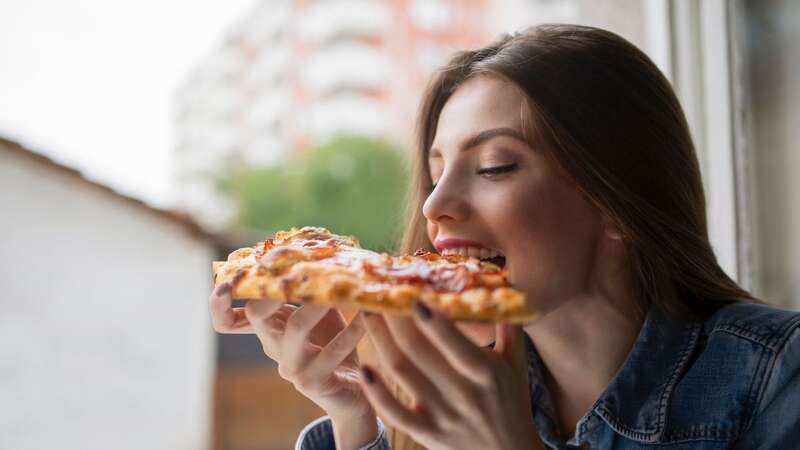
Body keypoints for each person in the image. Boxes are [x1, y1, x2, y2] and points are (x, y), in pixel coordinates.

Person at [208, 24, 800, 449]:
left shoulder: (777, 375)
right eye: (436, 173)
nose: (436, 207)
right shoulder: (434, 405)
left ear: (617, 202)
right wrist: (358, 419)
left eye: (494, 166)